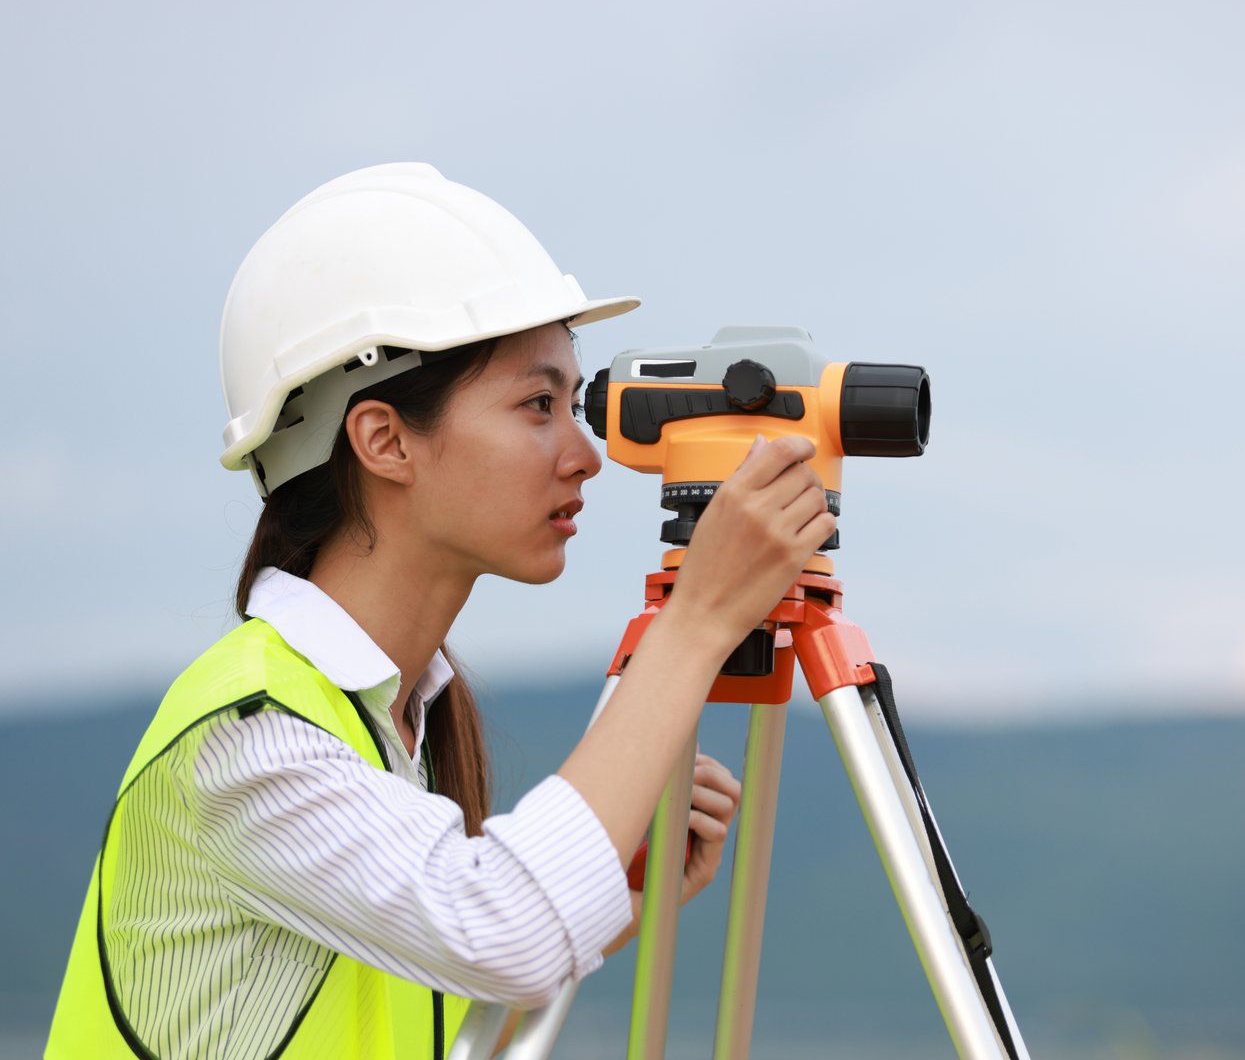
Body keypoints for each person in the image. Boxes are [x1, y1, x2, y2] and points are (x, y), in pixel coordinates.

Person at [46, 163, 837, 1059]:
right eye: (538, 405)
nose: (586, 455)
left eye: (574, 405)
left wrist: (614, 903)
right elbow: (501, 927)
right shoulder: (248, 738)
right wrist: (697, 622)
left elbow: (435, 1000)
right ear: (384, 440)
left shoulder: (389, 729)